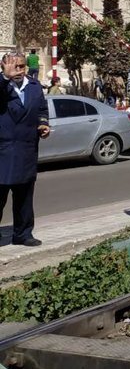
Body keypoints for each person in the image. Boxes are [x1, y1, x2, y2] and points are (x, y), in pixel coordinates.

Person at [0, 51, 50, 246]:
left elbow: (41, 110)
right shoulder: (2, 84)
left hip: (27, 150)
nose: (19, 70)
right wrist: (6, 77)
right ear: (4, 66)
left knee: (24, 197)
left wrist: (43, 124)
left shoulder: (34, 86)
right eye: (15, 66)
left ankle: (23, 233)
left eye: (22, 66)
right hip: (3, 151)